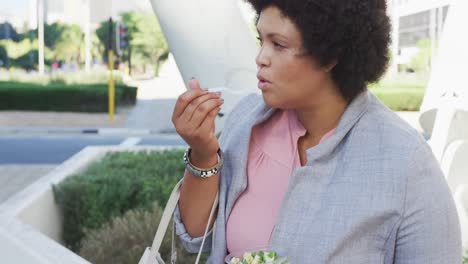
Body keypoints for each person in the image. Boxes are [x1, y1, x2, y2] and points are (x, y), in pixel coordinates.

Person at [171, 0, 462, 263]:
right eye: (262, 40)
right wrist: (204, 152)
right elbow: (194, 238)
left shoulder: (406, 161)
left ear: (329, 55)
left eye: (279, 44)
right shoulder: (245, 121)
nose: (260, 58)